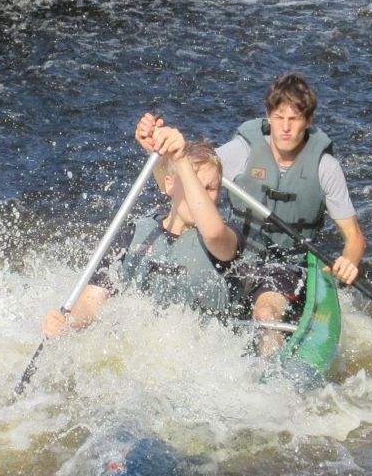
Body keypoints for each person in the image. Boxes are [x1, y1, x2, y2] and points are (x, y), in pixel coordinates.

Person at [136, 74, 365, 344]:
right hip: (233, 254)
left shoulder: (325, 168)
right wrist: (157, 147)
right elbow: (190, 171)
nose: (285, 128)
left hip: (283, 265)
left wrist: (349, 261)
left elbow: (354, 237)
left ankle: (269, 366)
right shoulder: (242, 151)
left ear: (309, 120)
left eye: (294, 119)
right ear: (268, 116)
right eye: (279, 117)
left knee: (265, 313)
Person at [41, 125, 238, 338]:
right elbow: (91, 302)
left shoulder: (228, 238)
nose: (200, 196)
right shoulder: (132, 235)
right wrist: (68, 325)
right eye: (194, 186)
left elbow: (213, 234)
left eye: (210, 188)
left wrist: (181, 159)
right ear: (170, 185)